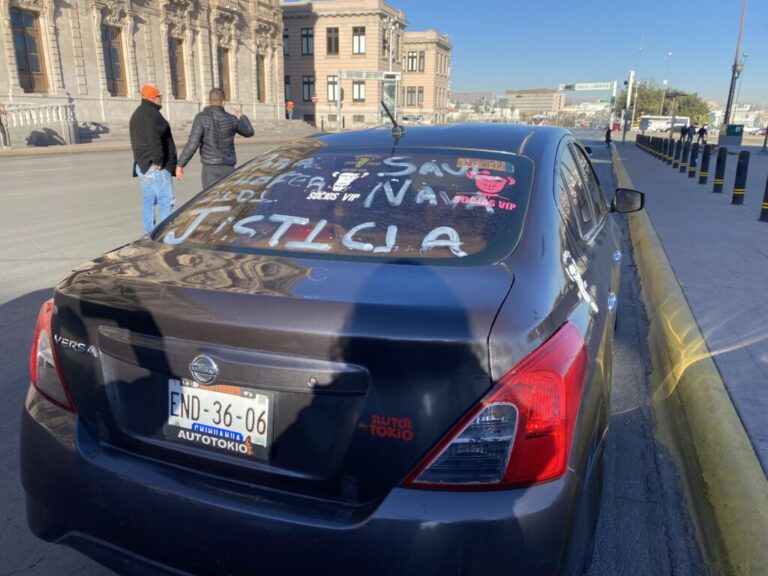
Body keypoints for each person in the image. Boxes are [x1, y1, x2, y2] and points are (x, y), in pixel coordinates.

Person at [177, 88, 255, 188]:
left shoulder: (201, 117)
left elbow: (192, 144)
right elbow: (249, 132)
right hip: (228, 168)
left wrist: (180, 164)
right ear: (223, 102)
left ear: (209, 102)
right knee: (227, 196)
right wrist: (242, 116)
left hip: (209, 170)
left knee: (210, 197)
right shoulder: (232, 119)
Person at [129, 84, 178, 234]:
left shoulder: (137, 113)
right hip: (155, 167)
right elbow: (154, 138)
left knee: (148, 201)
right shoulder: (152, 114)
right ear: (153, 98)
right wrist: (158, 160)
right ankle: (167, 237)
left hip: (143, 165)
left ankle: (148, 234)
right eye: (159, 96)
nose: (161, 99)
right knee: (166, 201)